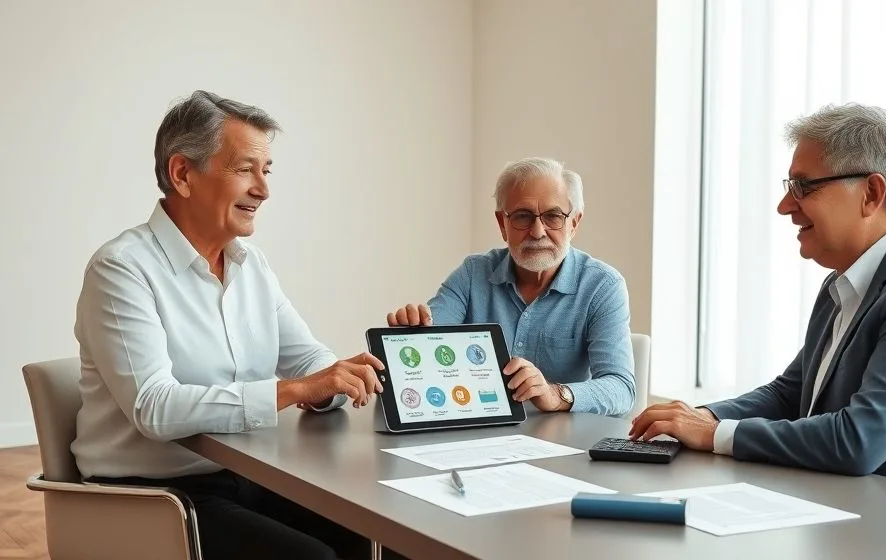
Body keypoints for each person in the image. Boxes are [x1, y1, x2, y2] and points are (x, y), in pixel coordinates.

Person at [630, 103, 886, 503]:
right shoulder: (846, 280)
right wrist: (705, 417)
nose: (785, 205)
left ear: (871, 193)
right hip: (861, 515)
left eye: (804, 187)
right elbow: (791, 395)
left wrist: (713, 434)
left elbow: (859, 439)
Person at [71, 90, 385, 559]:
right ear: (182, 174)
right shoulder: (120, 268)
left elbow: (309, 359)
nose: (263, 188)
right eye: (245, 169)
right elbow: (155, 408)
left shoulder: (249, 265)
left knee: (374, 537)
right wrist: (295, 391)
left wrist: (338, 380)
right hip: (156, 497)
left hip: (250, 475)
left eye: (267, 170)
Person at [387, 157, 635, 417]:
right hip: (476, 430)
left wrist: (556, 394)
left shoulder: (602, 286)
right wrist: (410, 336)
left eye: (553, 216)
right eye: (522, 217)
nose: (538, 231)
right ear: (502, 224)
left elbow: (621, 388)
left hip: (561, 442)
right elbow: (429, 337)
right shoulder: (473, 274)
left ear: (574, 223)